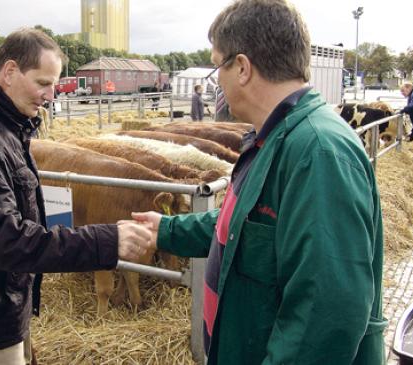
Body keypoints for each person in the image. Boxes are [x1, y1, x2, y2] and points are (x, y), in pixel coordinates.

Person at [132, 1, 386, 364]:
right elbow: (242, 229)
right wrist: (167, 230)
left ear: (242, 68)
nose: (216, 79)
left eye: (217, 64)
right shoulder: (274, 139)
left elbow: (324, 318)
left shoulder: (317, 153)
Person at [0, 28, 153, 364]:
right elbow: (1, 239)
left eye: (54, 84)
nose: (51, 95)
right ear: (11, 71)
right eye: (43, 83)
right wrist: (106, 241)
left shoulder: (1, 120)